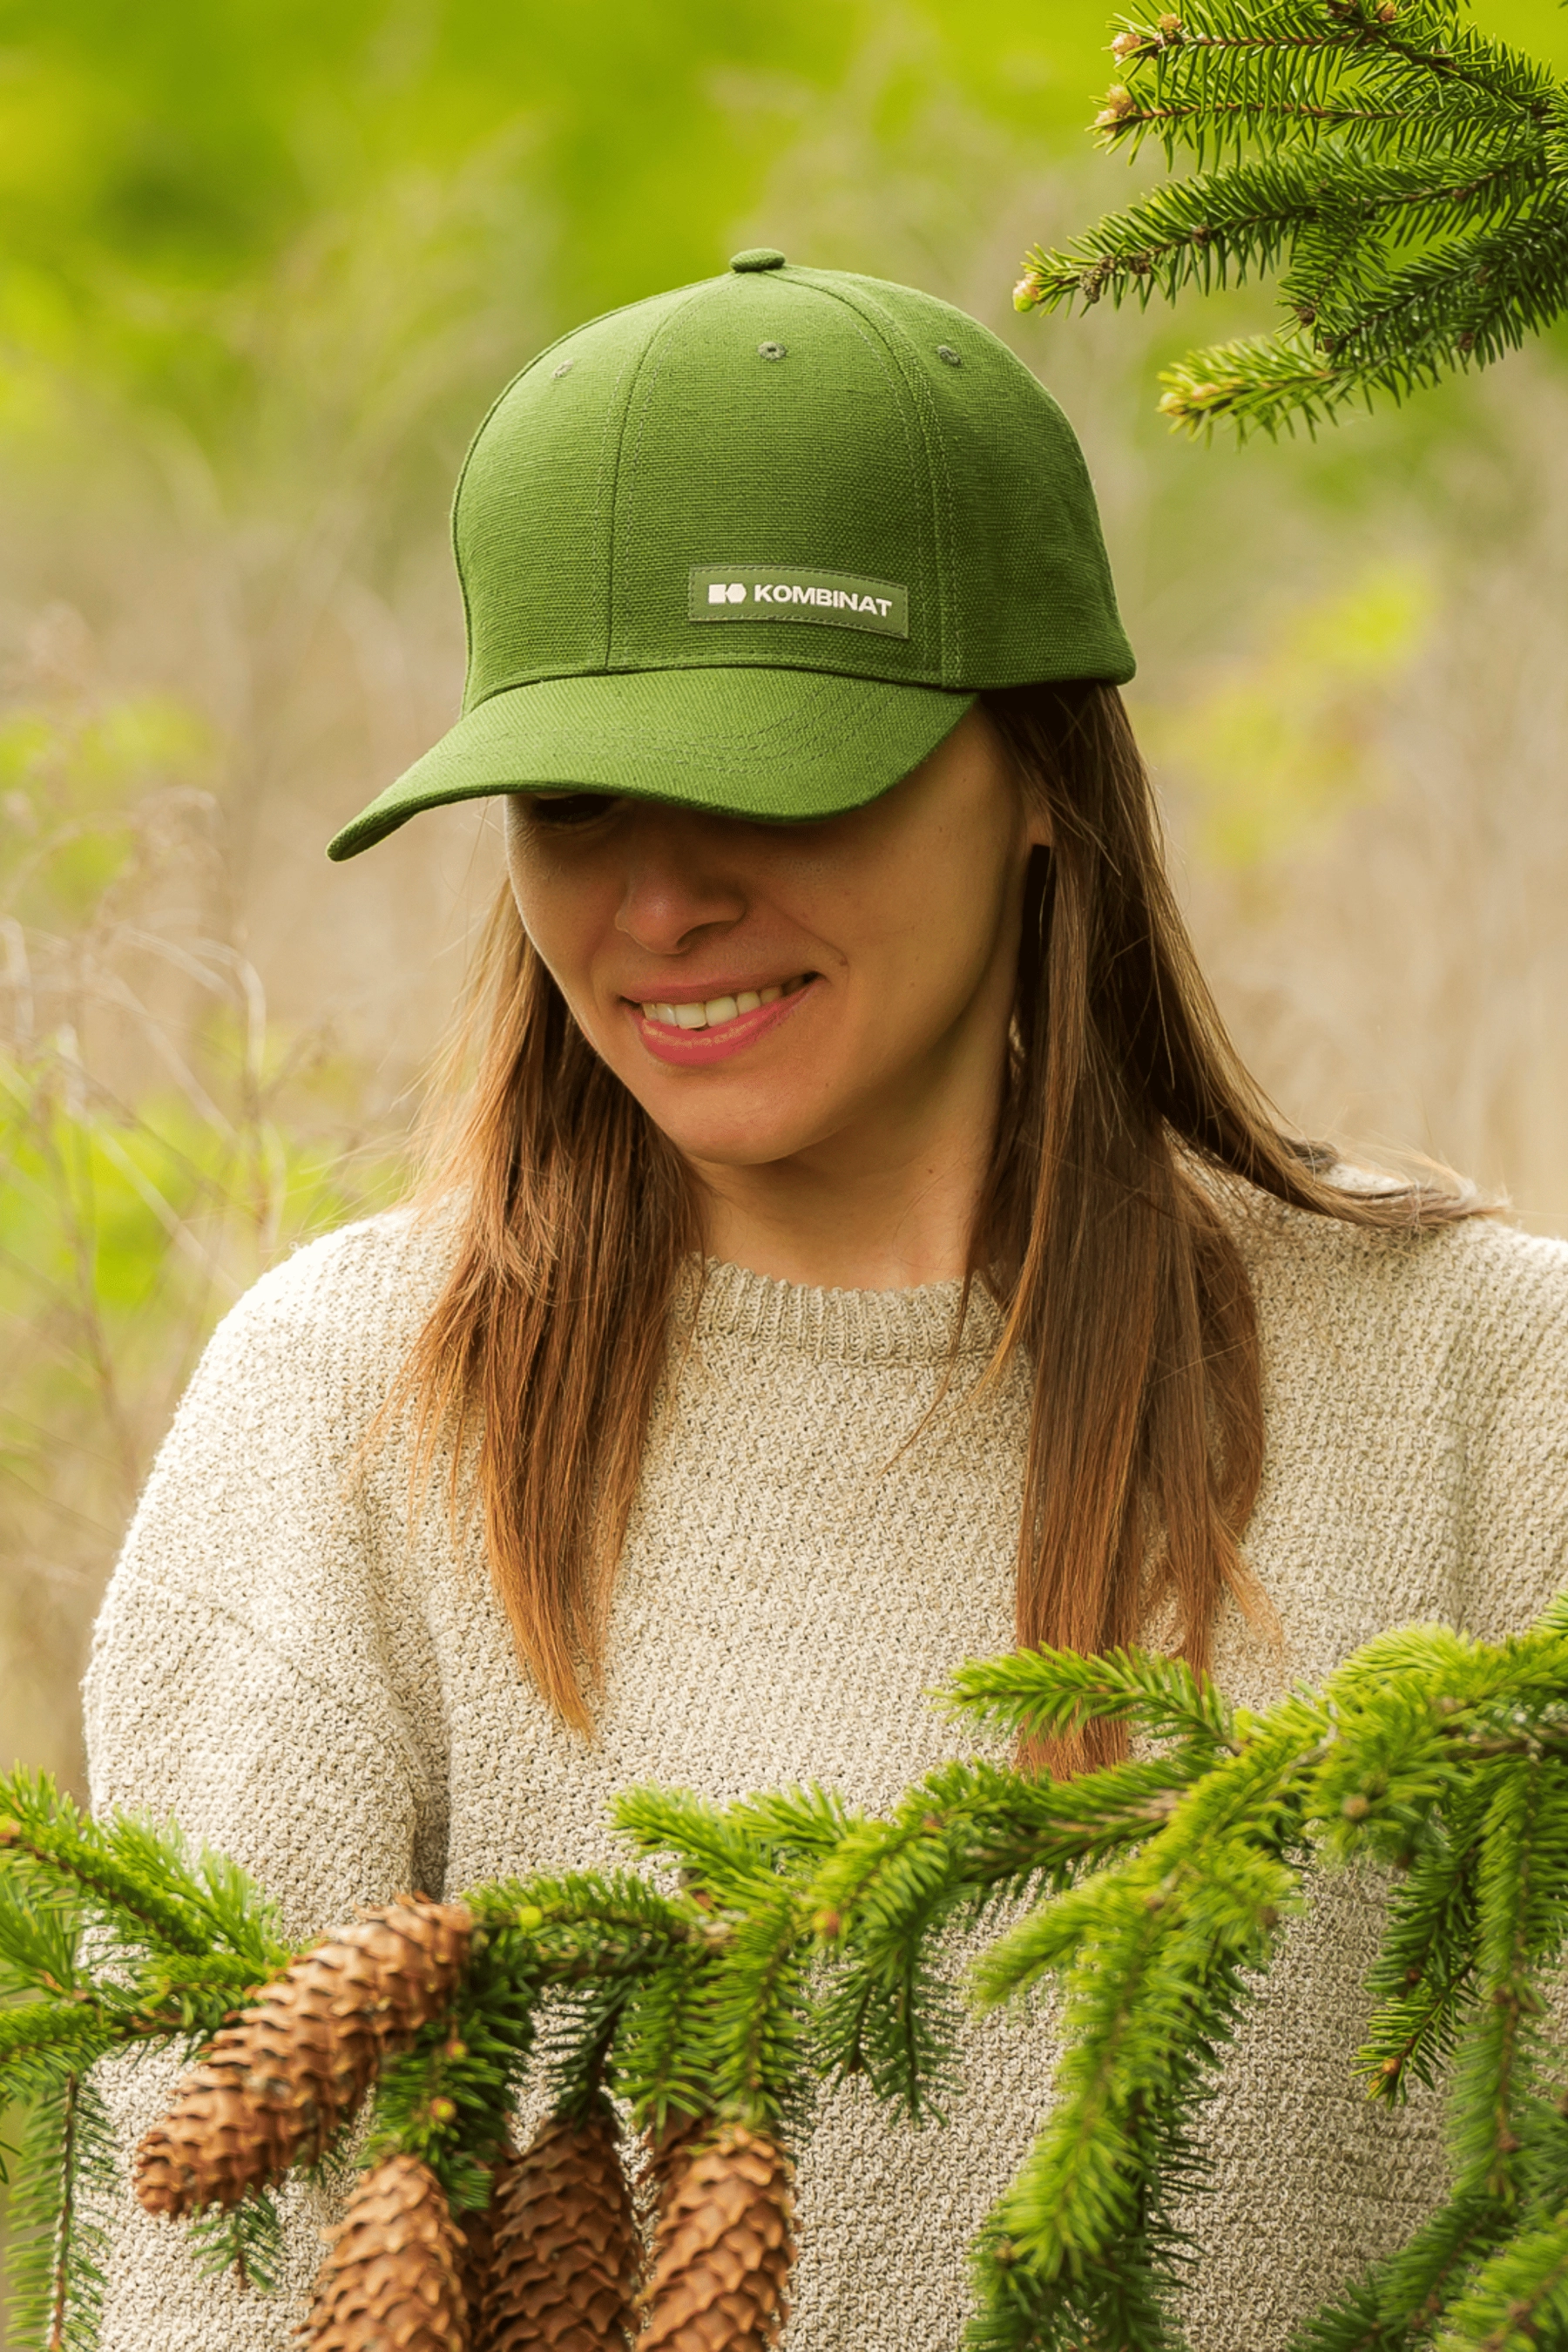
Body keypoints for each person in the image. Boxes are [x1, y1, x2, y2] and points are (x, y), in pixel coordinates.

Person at [85, 249, 1568, 2352]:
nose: (658, 898)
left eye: (773, 773)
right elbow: (204, 2275)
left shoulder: (1487, 1389)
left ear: (1039, 771)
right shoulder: (347, 1406)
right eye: (575, 797)